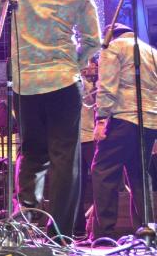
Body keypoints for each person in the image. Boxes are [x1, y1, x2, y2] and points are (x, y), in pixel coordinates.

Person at [0, 0, 101, 238]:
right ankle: (60, 233)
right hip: (64, 84)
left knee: (32, 153)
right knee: (65, 158)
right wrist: (74, 63)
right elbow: (93, 41)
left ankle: (26, 222)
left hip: (26, 86)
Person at [91, 23, 157, 241]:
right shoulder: (151, 52)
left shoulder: (114, 47)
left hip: (122, 119)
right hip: (149, 121)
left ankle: (104, 234)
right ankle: (146, 232)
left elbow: (107, 86)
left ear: (110, 35)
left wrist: (101, 119)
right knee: (140, 175)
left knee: (103, 172)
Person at [74, 57, 99, 238]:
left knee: (100, 183)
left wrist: (93, 82)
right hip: (76, 139)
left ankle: (96, 227)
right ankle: (78, 228)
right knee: (77, 186)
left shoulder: (98, 82)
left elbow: (95, 103)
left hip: (92, 139)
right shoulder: (76, 79)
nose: (90, 67)